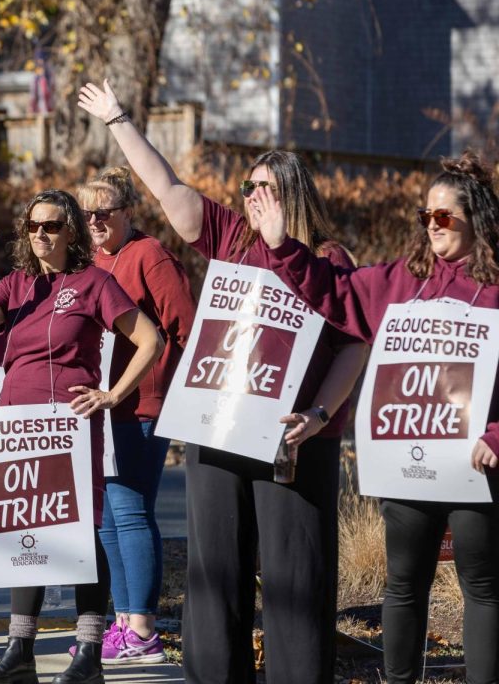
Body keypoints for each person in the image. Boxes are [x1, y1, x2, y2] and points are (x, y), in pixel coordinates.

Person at [78, 80, 369, 684]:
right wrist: (118, 120)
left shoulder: (331, 258)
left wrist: (318, 416)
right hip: (220, 429)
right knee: (217, 574)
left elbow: (352, 346)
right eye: (250, 187)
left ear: (294, 194)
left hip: (294, 439)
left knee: (296, 575)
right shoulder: (230, 238)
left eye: (267, 187)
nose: (255, 196)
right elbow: (167, 189)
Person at [255, 153, 499, 684]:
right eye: (425, 217)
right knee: (402, 585)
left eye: (445, 217)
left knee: (483, 589)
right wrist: (282, 247)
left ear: (476, 220)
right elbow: (332, 293)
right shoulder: (398, 282)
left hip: (475, 468)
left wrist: (498, 434)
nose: (432, 227)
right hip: (407, 465)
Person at [0, 189, 165, 684]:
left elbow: (150, 340)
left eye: (50, 225)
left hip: (69, 426)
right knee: (22, 530)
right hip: (15, 424)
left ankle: (89, 653)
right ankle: (19, 652)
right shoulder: (17, 283)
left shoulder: (94, 283)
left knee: (78, 533)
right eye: (32, 226)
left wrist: (113, 395)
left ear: (70, 230)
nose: (41, 234)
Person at [76, 167, 196, 665]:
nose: (96, 221)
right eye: (87, 214)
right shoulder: (91, 260)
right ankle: (123, 622)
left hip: (141, 407)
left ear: (129, 211)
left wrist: (171, 394)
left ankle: (144, 629)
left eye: (105, 213)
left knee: (130, 512)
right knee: (107, 520)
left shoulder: (149, 255)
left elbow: (186, 328)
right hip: (101, 408)